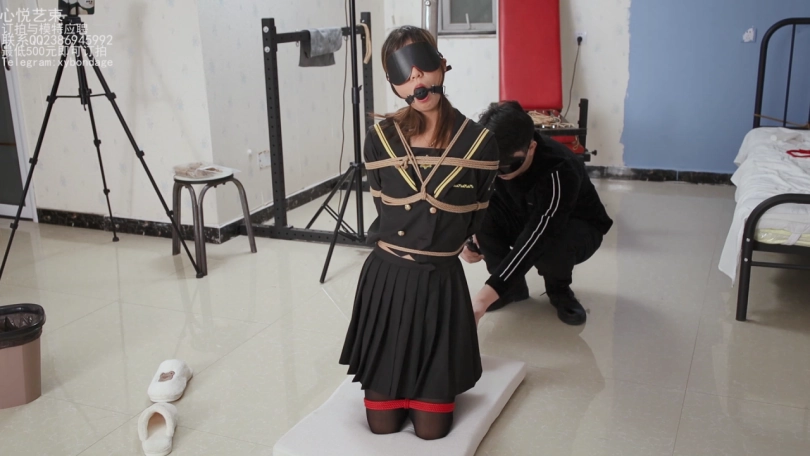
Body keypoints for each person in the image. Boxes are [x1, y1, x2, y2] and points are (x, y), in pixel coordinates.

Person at [339, 26, 500, 440]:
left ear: (441, 65)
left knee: (432, 432)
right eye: (402, 73)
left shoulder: (480, 144)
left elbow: (476, 214)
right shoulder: (380, 140)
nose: (416, 79)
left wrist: (457, 240)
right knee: (382, 425)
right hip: (387, 282)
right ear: (393, 84)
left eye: (423, 65)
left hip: (439, 287)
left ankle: (431, 380)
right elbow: (384, 206)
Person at [462, 101, 613, 326]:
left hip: (575, 225)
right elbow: (470, 199)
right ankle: (510, 289)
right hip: (524, 213)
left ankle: (559, 290)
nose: (499, 173)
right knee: (483, 215)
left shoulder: (559, 170)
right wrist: (465, 237)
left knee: (553, 246)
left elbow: (538, 236)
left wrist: (482, 299)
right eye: (492, 165)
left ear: (531, 146)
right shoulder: (488, 157)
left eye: (507, 166)